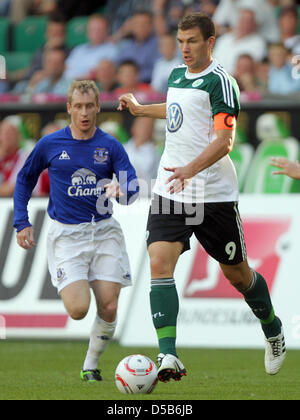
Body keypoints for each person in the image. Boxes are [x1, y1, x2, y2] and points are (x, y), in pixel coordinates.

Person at [118, 12, 286, 383]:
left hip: (212, 195)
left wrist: (190, 170)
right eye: (180, 42)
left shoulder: (222, 83)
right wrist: (142, 108)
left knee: (238, 275)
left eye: (192, 41)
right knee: (159, 261)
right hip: (171, 188)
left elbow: (224, 141)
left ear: (210, 42)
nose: (185, 49)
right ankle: (168, 355)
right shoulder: (177, 75)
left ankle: (272, 328)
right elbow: (178, 112)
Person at [14, 80, 139, 382]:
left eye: (89, 106)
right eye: (78, 107)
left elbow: (133, 188)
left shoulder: (110, 145)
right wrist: (21, 221)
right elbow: (24, 179)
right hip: (67, 236)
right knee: (79, 309)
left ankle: (91, 365)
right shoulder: (50, 145)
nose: (84, 113)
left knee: (108, 305)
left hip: (104, 232)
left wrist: (120, 190)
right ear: (69, 108)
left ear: (98, 107)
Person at [64, 15, 118, 81]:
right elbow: (65, 68)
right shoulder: (78, 49)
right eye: (93, 29)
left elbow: (101, 74)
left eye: (99, 29)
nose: (96, 33)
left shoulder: (111, 50)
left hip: (90, 86)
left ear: (107, 31)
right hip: (65, 84)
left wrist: (77, 78)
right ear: (87, 31)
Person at [213, 7, 267, 73]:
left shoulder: (258, 42)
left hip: (235, 80)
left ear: (254, 23)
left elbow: (248, 67)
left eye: (249, 21)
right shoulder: (225, 38)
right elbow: (212, 59)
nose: (246, 23)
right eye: (243, 20)